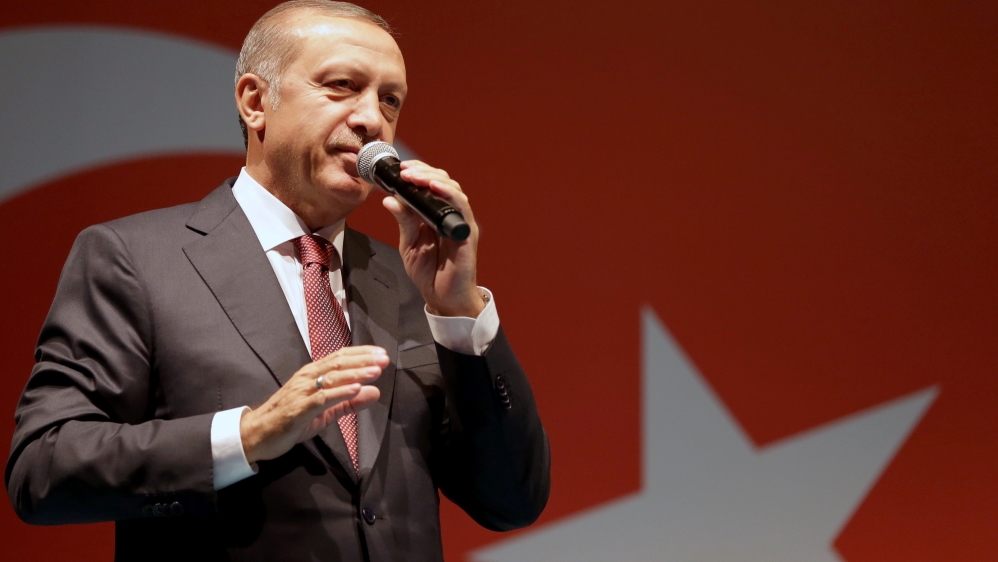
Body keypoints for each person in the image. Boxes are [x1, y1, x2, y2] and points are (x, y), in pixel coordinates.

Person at [4, 2, 550, 560]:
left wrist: (460, 314)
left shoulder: (413, 280)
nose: (372, 120)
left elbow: (512, 500)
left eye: (390, 99)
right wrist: (247, 436)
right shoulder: (136, 259)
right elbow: (43, 467)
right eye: (342, 86)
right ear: (254, 101)